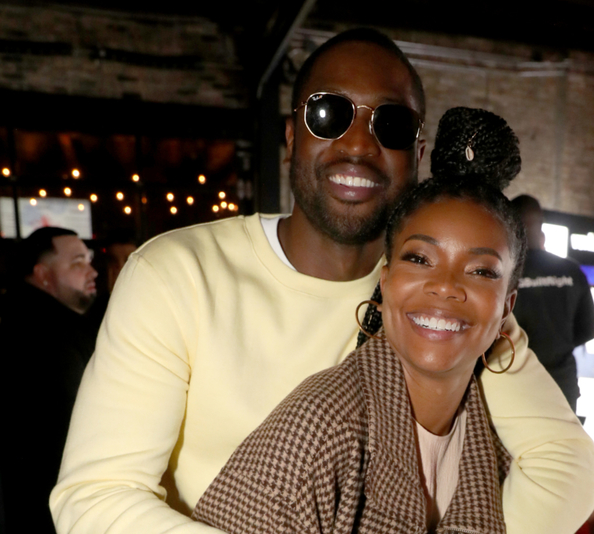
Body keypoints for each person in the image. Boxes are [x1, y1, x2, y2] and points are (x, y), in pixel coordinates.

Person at [51, 29, 594, 534]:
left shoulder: (435, 300)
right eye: (329, 114)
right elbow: (96, 500)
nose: (358, 145)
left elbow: (565, 468)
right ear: (291, 137)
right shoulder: (177, 274)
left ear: (419, 155)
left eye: (391, 124)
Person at [193, 106, 531, 533]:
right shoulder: (317, 431)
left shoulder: (506, 440)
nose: (445, 286)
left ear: (506, 307)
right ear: (386, 282)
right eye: (420, 258)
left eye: (481, 270)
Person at [0, 227, 98, 534]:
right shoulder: (47, 338)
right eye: (77, 262)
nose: (92, 271)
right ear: (42, 274)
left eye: (90, 260)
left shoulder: (28, 324)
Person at [510, 194, 594, 411]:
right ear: (542, 229)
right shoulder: (572, 271)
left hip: (513, 382)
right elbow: (589, 329)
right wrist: (557, 343)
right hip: (561, 384)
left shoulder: (503, 274)